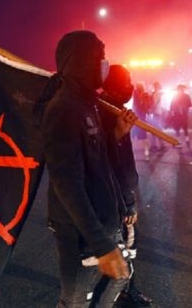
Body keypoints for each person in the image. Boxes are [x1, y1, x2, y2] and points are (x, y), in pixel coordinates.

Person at [41, 30, 134, 307]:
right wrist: (101, 244)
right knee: (75, 301)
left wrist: (116, 135)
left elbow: (99, 165)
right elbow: (67, 183)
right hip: (78, 230)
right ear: (82, 60)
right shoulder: (63, 108)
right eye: (100, 57)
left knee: (120, 277)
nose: (104, 64)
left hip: (104, 219)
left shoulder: (88, 104)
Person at [100, 64, 153, 307]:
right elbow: (105, 160)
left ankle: (125, 289)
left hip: (122, 195)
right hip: (114, 198)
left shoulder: (117, 111)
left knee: (127, 247)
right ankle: (120, 293)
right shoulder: (101, 113)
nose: (129, 87)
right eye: (124, 82)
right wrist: (128, 203)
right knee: (125, 248)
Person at [132, 83, 152, 161]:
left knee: (137, 136)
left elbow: (137, 105)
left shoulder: (137, 94)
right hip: (140, 117)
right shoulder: (143, 94)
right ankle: (146, 154)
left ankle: (146, 154)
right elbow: (147, 106)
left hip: (137, 117)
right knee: (143, 137)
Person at [148, 81, 165, 151]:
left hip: (155, 113)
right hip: (158, 112)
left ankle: (156, 145)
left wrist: (151, 110)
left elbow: (155, 104)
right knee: (156, 129)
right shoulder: (159, 93)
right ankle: (159, 144)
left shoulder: (155, 94)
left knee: (155, 129)